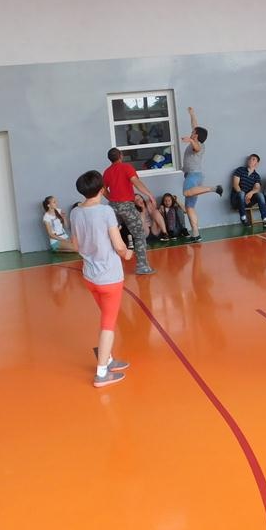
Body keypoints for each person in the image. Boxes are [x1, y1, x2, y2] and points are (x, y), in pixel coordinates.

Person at [69, 170, 133, 388]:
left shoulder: (75, 212)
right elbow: (119, 245)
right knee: (108, 324)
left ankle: (108, 359)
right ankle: (101, 373)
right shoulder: (106, 211)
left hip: (90, 276)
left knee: (106, 317)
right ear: (102, 189)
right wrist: (127, 253)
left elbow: (76, 245)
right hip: (110, 277)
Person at [103, 147, 163, 276]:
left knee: (110, 236)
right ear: (121, 155)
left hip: (112, 207)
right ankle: (142, 267)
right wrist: (149, 194)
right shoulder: (127, 167)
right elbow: (136, 182)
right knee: (139, 235)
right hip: (127, 206)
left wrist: (112, 199)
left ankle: (107, 268)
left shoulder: (107, 171)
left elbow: (103, 189)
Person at [181, 106, 224, 242]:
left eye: (193, 132)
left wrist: (190, 140)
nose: (191, 132)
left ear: (196, 135)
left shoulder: (198, 144)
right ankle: (196, 234)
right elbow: (195, 125)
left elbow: (196, 148)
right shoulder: (196, 139)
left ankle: (214, 188)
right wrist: (192, 113)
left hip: (193, 176)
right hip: (194, 176)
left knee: (186, 193)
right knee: (189, 207)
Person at [231, 154, 266, 226]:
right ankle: (243, 218)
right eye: (249, 159)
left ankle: (265, 219)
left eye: (253, 159)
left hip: (248, 201)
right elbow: (235, 185)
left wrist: (251, 193)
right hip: (237, 200)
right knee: (241, 193)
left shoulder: (256, 176)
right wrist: (244, 197)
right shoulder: (240, 170)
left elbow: (257, 188)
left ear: (257, 163)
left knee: (260, 195)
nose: (250, 160)